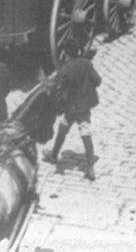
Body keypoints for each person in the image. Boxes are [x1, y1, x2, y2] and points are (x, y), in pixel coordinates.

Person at [43, 51, 101, 180]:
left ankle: (53, 154)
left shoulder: (66, 68)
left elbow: (58, 85)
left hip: (71, 107)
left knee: (63, 128)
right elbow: (97, 81)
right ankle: (90, 166)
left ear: (68, 54)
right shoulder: (86, 63)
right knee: (85, 132)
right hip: (85, 106)